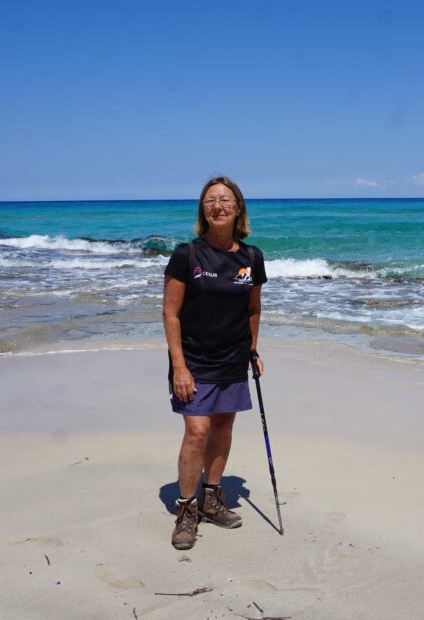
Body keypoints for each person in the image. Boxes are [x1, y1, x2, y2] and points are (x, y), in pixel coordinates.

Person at [162, 176, 267, 550]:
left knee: (222, 427)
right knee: (197, 432)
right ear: (202, 210)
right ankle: (187, 509)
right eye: (210, 201)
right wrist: (180, 366)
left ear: (238, 209)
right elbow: (171, 314)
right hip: (194, 359)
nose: (217, 206)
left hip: (233, 358)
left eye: (225, 200)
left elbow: (253, 308)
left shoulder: (251, 257)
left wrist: (252, 350)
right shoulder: (187, 254)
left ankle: (212, 497)